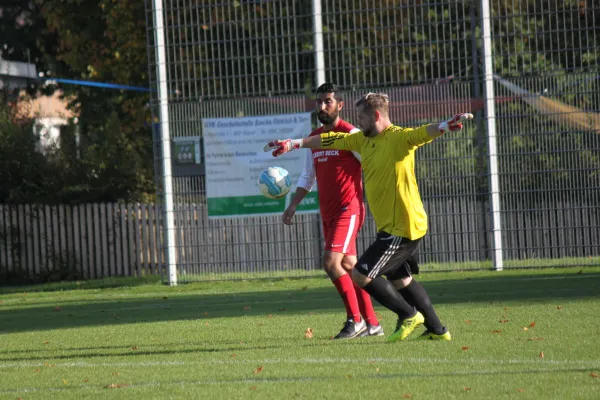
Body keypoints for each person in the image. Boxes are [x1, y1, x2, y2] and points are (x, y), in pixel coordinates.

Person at [265, 92, 473, 342]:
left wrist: (444, 126)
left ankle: (408, 315)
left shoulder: (399, 137)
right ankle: (438, 330)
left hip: (402, 227)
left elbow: (423, 132)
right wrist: (293, 143)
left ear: (375, 116)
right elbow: (328, 140)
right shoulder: (362, 141)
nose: (358, 123)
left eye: (361, 118)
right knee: (402, 280)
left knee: (361, 274)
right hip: (395, 226)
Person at [283, 83, 383, 339]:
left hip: (348, 210)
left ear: (340, 105)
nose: (322, 106)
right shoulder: (314, 138)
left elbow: (371, 165)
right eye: (319, 101)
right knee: (350, 265)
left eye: (328, 101)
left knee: (330, 263)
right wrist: (293, 205)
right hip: (328, 213)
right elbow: (308, 176)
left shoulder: (351, 134)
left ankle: (355, 320)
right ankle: (373, 324)